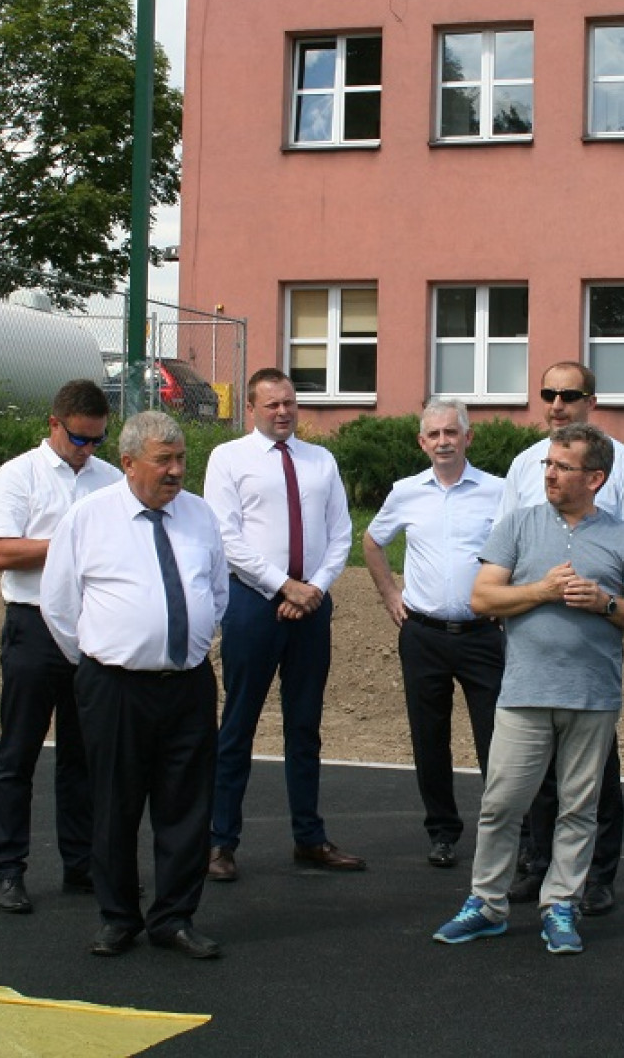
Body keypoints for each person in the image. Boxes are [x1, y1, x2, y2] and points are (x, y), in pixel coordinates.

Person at [432, 423, 624, 956]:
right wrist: (541, 590)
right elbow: (482, 599)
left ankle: (561, 904)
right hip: (524, 692)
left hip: (593, 695)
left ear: (595, 478)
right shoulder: (517, 525)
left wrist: (606, 603)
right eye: (548, 465)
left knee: (579, 809)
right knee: (501, 803)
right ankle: (486, 904)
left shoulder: (623, 537)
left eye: (563, 466)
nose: (551, 474)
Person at [42, 411, 229, 960]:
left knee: (187, 807)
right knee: (114, 806)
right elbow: (59, 605)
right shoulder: (89, 518)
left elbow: (217, 592)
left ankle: (174, 918)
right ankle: (118, 917)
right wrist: (103, 659)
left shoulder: (199, 515)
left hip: (188, 686)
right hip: (115, 688)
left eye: (181, 459)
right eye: (163, 460)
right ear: (128, 463)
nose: (176, 471)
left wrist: (188, 643)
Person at [500, 360, 624, 916]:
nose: (557, 404)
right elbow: (502, 541)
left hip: (593, 631)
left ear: (591, 400)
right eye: (549, 393)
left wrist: (611, 604)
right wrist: (517, 600)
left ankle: (597, 876)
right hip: (531, 628)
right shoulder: (525, 463)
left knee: (594, 771)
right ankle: (537, 863)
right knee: (536, 769)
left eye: (569, 394)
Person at [204, 368, 363, 880]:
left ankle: (309, 838)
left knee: (305, 725)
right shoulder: (228, 459)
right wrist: (282, 585)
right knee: (238, 724)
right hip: (253, 605)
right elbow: (226, 536)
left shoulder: (321, 460)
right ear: (252, 408)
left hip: (312, 608)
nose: (283, 412)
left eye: (289, 402)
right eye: (272, 404)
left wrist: (312, 588)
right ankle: (220, 842)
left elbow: (341, 534)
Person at [0, 378, 120, 914]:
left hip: (89, 628)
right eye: (79, 439)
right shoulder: (18, 476)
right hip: (33, 624)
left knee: (84, 757)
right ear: (54, 425)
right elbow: (1, 552)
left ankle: (81, 864)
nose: (87, 450)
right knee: (18, 754)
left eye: (98, 440)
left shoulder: (110, 479)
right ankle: (8, 869)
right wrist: (68, 543)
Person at [363, 398, 508, 868]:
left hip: (483, 635)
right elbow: (372, 541)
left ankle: (511, 833)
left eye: (451, 433)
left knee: (498, 740)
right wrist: (390, 593)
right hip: (422, 634)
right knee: (429, 739)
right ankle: (442, 831)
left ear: (468, 437)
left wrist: (510, 601)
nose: (443, 442)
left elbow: (519, 547)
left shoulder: (498, 491)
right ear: (422, 442)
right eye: (434, 434)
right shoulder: (406, 492)